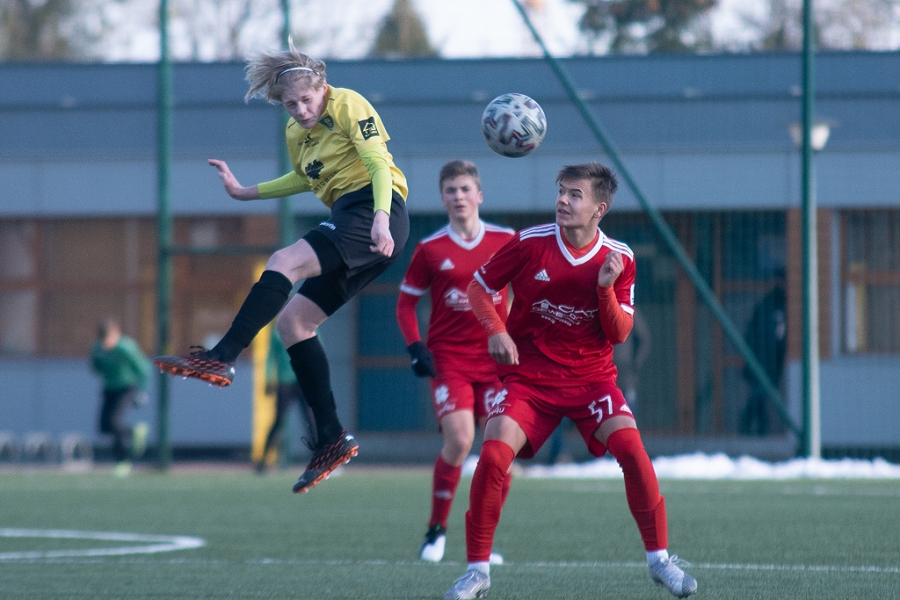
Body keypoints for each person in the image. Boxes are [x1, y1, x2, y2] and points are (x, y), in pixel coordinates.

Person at [153, 39, 410, 494]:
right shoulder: (297, 134)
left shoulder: (349, 103)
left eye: (307, 100)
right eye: (290, 104)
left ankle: (221, 357)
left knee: (281, 261)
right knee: (293, 324)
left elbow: (376, 163)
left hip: (374, 209)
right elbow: (302, 177)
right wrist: (242, 192)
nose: (301, 110)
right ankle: (330, 436)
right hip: (350, 218)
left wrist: (383, 220)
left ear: (323, 87)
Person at [444, 163, 697, 600]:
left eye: (574, 194)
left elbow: (619, 334)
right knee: (492, 457)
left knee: (633, 453)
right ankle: (477, 572)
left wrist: (604, 288)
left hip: (592, 380)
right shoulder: (528, 244)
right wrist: (496, 330)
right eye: (561, 191)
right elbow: (479, 288)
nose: (562, 200)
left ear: (599, 208)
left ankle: (660, 561)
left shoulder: (621, 259)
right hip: (530, 380)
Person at [395, 160, 514, 563]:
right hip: (451, 362)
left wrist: (517, 334)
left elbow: (525, 290)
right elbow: (405, 304)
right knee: (461, 441)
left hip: (499, 362)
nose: (459, 197)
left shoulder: (507, 240)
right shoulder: (431, 249)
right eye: (451, 191)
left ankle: (483, 540)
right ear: (442, 198)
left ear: (479, 195)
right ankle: (436, 530)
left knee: (500, 451)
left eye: (465, 189)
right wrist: (415, 347)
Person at [90, 317, 150, 477]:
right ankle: (134, 431)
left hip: (126, 388)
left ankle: (122, 462)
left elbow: (143, 369)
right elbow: (95, 368)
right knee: (104, 427)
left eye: (109, 337)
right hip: (109, 389)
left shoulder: (126, 347)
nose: (106, 341)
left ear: (117, 334)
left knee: (115, 422)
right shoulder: (98, 348)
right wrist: (99, 359)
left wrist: (142, 391)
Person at [255, 332, 314, 473]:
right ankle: (263, 461)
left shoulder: (310, 326)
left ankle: (320, 460)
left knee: (311, 421)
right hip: (285, 381)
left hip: (304, 379)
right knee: (278, 421)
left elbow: (318, 354)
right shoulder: (278, 331)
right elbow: (270, 356)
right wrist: (269, 378)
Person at [739, 281, 786, 436]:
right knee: (759, 394)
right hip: (763, 361)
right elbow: (755, 333)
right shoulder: (772, 305)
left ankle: (754, 428)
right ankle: (751, 426)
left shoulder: (776, 304)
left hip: (767, 361)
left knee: (760, 395)